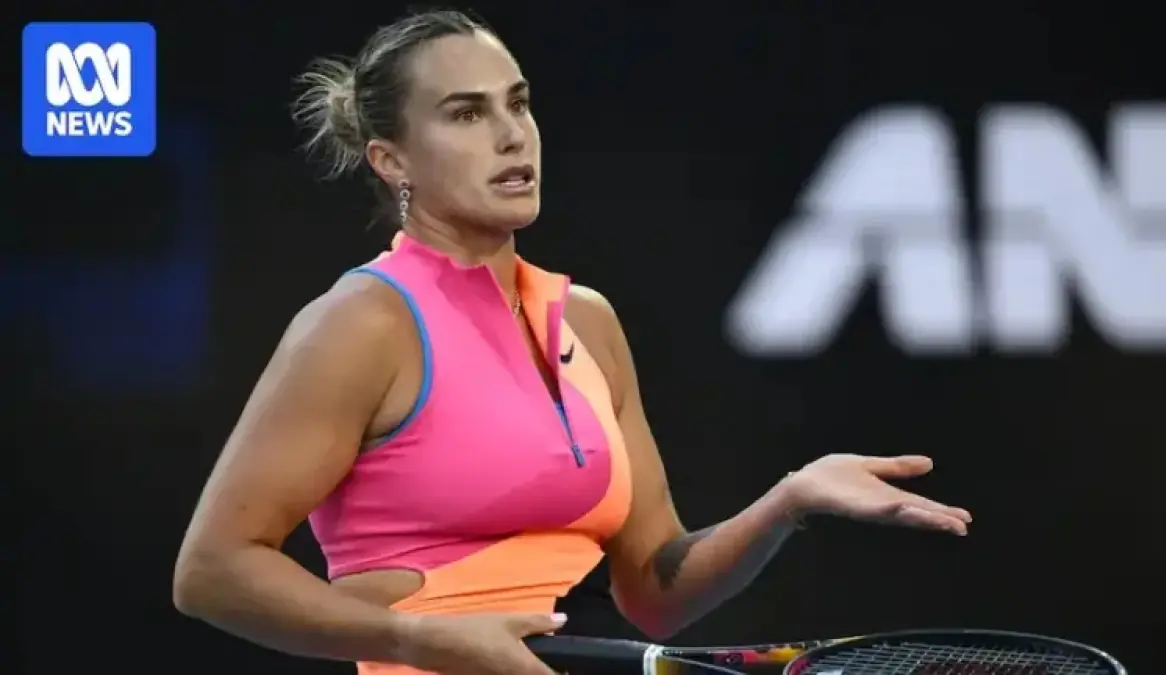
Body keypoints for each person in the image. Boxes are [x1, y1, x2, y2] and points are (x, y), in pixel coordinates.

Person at [172, 10, 972, 675]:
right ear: (391, 160)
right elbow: (213, 570)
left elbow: (654, 589)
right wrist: (417, 638)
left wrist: (788, 500)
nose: (511, 136)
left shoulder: (587, 321)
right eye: (466, 114)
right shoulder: (362, 322)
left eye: (518, 104)